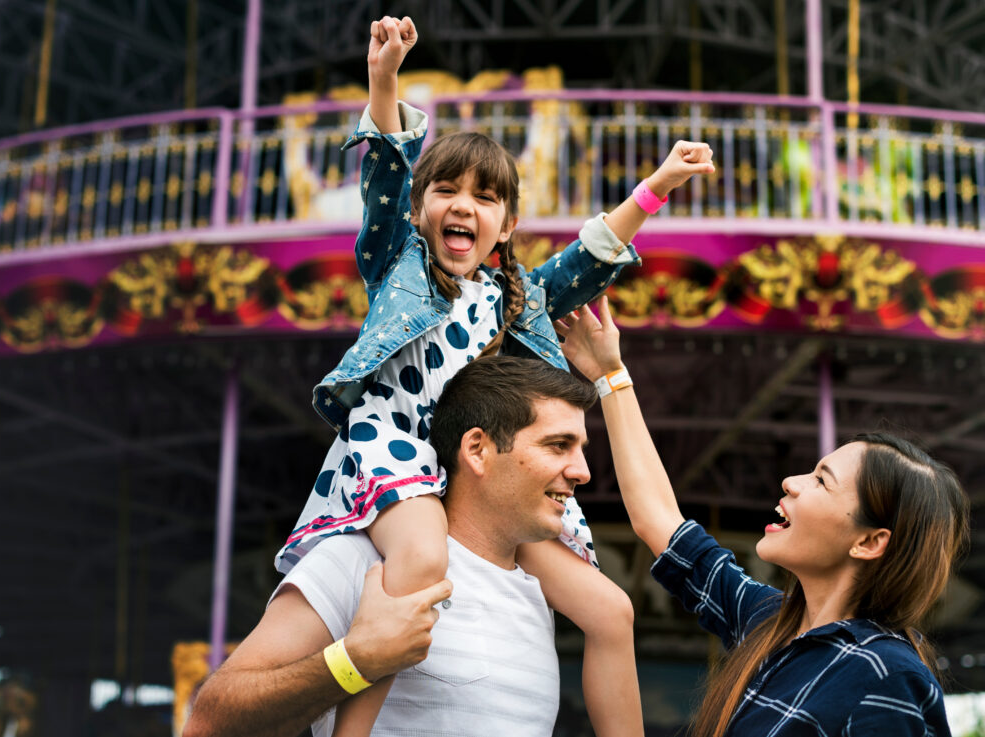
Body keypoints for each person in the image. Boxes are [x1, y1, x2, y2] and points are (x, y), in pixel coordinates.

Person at [273, 14, 715, 737]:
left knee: (612, 609)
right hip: (401, 450)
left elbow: (591, 254)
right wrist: (384, 78)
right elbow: (385, 167)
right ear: (420, 212)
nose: (463, 206)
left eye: (485, 198)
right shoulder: (399, 266)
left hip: (479, 468)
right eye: (446, 191)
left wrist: (658, 185)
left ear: (505, 224)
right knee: (418, 558)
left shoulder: (513, 296)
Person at [555, 296, 969, 737]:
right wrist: (608, 375)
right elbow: (659, 521)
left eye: (821, 480)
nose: (791, 481)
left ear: (869, 542)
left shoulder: (887, 678)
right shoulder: (770, 623)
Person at [184, 355, 601, 737]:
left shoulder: (536, 593)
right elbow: (208, 724)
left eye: (581, 449)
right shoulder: (365, 560)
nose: (581, 471)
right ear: (477, 449)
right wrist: (355, 662)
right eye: (558, 445)